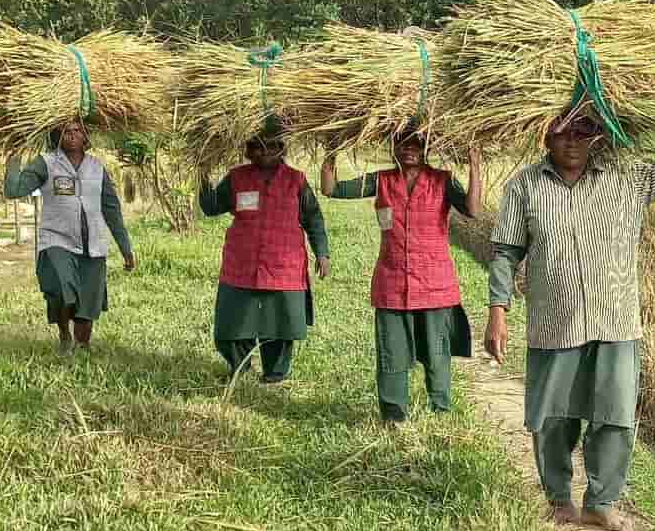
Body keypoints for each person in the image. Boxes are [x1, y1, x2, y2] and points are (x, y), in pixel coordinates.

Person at [485, 93, 655, 531]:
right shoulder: (525, 185)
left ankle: (602, 500)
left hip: (615, 319)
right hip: (555, 319)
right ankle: (559, 497)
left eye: (581, 131)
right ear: (545, 134)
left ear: (597, 134)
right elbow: (506, 251)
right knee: (552, 416)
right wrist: (497, 309)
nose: (570, 141)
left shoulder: (627, 177)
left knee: (615, 415)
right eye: (560, 131)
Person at [322, 121, 482, 420]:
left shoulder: (443, 181)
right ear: (392, 147)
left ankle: (441, 411)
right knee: (392, 353)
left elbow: (472, 210)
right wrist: (331, 150)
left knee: (437, 353)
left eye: (416, 143)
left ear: (427, 149)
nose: (409, 148)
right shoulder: (381, 181)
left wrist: (474, 167)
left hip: (435, 284)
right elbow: (331, 189)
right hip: (391, 282)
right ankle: (393, 415)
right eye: (402, 142)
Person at [199, 118, 330, 384]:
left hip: (284, 265)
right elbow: (212, 207)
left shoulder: (296, 180)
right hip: (242, 264)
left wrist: (322, 253)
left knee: (279, 326)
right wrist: (201, 175)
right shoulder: (237, 178)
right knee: (231, 324)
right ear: (248, 151)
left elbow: (313, 218)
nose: (264, 152)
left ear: (282, 149)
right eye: (257, 147)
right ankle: (240, 367)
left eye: (271, 147)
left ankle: (275, 374)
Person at [3, 118, 135, 355]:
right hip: (57, 239)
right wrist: (13, 158)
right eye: (65, 132)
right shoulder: (47, 163)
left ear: (86, 137)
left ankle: (82, 346)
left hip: (93, 244)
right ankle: (65, 335)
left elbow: (111, 209)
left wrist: (125, 247)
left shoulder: (96, 167)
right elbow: (14, 190)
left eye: (77, 131)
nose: (72, 135)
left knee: (88, 301)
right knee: (63, 289)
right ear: (56, 137)